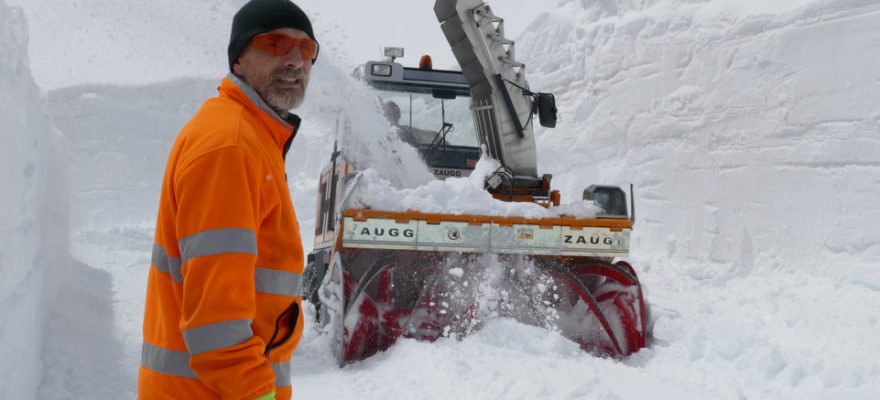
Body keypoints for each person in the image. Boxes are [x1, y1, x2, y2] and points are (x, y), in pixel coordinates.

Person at [137, 1, 317, 399]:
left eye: (306, 49)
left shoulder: (253, 136)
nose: (295, 60)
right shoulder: (231, 146)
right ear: (239, 60)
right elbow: (216, 325)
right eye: (276, 44)